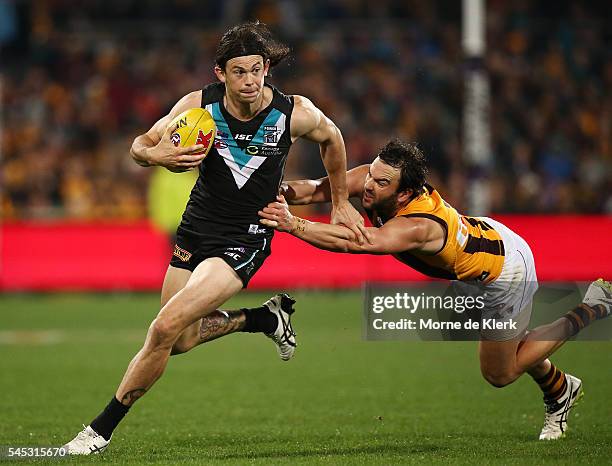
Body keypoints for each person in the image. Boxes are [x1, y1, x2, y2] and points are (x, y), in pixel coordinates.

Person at [63, 21, 369, 455]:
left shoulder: (291, 112)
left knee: (165, 327)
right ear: (220, 73)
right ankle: (263, 319)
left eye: (257, 70)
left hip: (244, 238)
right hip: (196, 228)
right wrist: (156, 154)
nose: (250, 81)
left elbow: (332, 137)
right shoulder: (197, 106)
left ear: (266, 69)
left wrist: (339, 200)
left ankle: (98, 431)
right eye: (240, 72)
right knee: (183, 340)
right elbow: (139, 144)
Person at [258, 138, 612, 441]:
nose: (368, 185)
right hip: (485, 243)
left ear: (405, 193)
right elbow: (319, 188)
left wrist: (292, 223)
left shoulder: (419, 226)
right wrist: (272, 191)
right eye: (371, 174)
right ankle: (561, 390)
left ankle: (592, 308)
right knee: (510, 346)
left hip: (504, 274)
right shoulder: (380, 178)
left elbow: (358, 243)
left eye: (381, 183)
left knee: (500, 373)